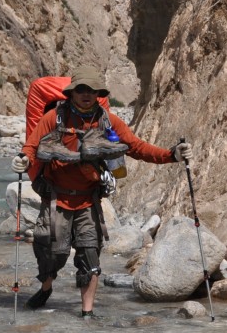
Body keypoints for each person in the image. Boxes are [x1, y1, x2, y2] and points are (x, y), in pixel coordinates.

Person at [11, 66, 193, 319]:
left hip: (88, 201)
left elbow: (136, 147)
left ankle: (87, 313)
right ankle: (46, 287)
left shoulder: (108, 121)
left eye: (92, 90)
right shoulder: (54, 118)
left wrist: (170, 155)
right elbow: (31, 147)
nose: (86, 94)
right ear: (72, 92)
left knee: (89, 254)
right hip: (56, 198)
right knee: (53, 252)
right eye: (81, 89)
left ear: (98, 93)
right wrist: (23, 160)